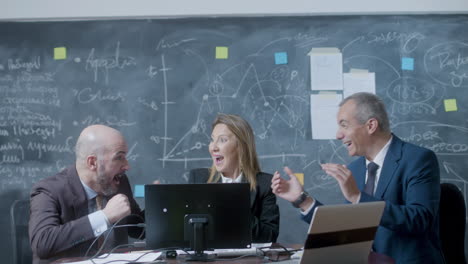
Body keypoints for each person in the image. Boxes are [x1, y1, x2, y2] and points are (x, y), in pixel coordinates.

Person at [271, 92, 445, 263]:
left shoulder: (418, 159)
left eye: (344, 125)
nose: (338, 135)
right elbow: (347, 231)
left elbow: (419, 220)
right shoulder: (355, 169)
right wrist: (303, 200)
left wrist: (357, 197)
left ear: (371, 126)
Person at [29, 125, 145, 264]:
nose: (127, 166)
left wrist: (158, 204)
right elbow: (43, 243)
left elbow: (136, 230)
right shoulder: (49, 190)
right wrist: (105, 216)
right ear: (93, 162)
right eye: (119, 157)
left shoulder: (119, 182)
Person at [189, 113, 280, 243]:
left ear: (241, 147)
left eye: (222, 140)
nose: (213, 147)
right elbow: (188, 233)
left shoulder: (264, 184)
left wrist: (235, 206)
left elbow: (269, 236)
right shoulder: (198, 179)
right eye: (212, 139)